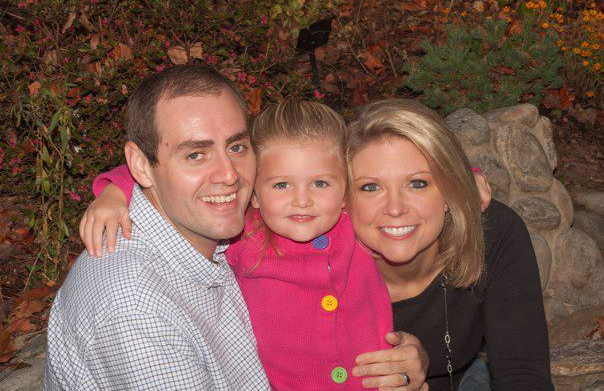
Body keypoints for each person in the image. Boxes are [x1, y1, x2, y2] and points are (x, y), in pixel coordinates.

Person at [82, 99, 429, 390]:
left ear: (345, 192)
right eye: (281, 185)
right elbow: (160, 171)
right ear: (255, 194)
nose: (302, 200)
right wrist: (115, 190)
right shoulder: (245, 236)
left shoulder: (357, 226)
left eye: (320, 183)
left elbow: (401, 187)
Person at [44, 66, 270, 389]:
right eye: (196, 155)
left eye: (236, 147)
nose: (230, 174)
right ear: (140, 166)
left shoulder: (201, 232)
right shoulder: (137, 307)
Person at [346, 99, 554, 391]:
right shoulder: (312, 264)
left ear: (449, 191)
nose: (395, 208)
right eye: (370, 187)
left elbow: (523, 373)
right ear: (344, 201)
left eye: (417, 183)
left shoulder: (491, 233)